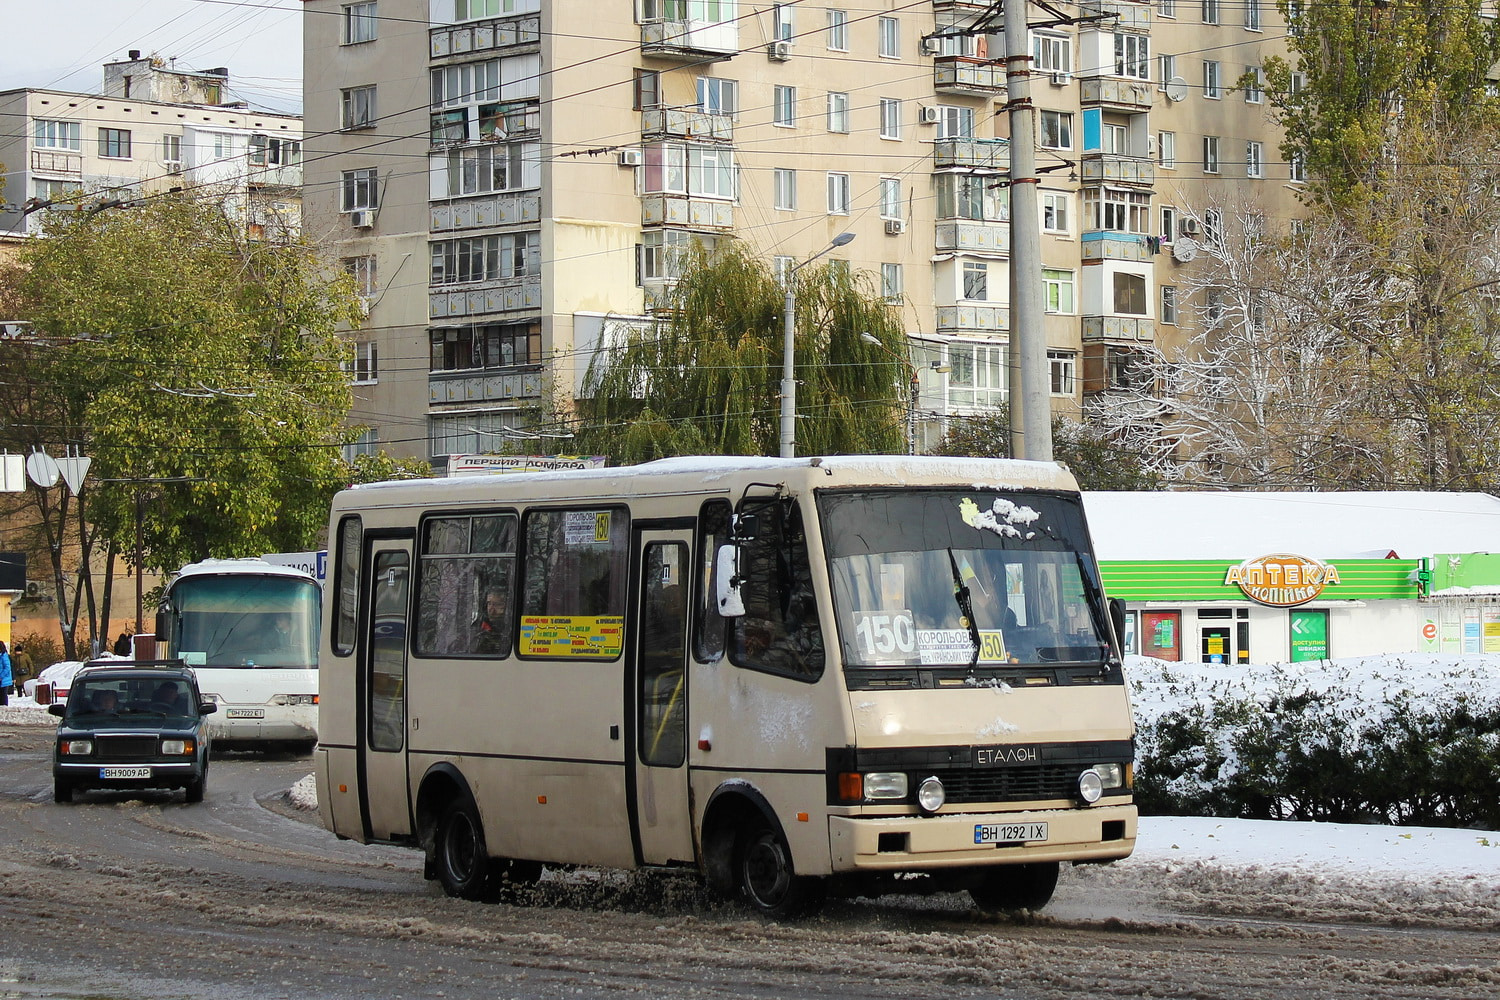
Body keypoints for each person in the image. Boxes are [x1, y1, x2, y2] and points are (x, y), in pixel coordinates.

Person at [475, 589, 508, 654]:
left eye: (497, 604)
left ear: (506, 607)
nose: (491, 609)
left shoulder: (508, 628)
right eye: (489, 603)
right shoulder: (479, 625)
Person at [0, 642, 10, 706]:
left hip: (4, 680)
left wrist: (1, 676)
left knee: (3, 697)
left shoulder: (4, 655)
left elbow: (7, 667)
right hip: (1, 679)